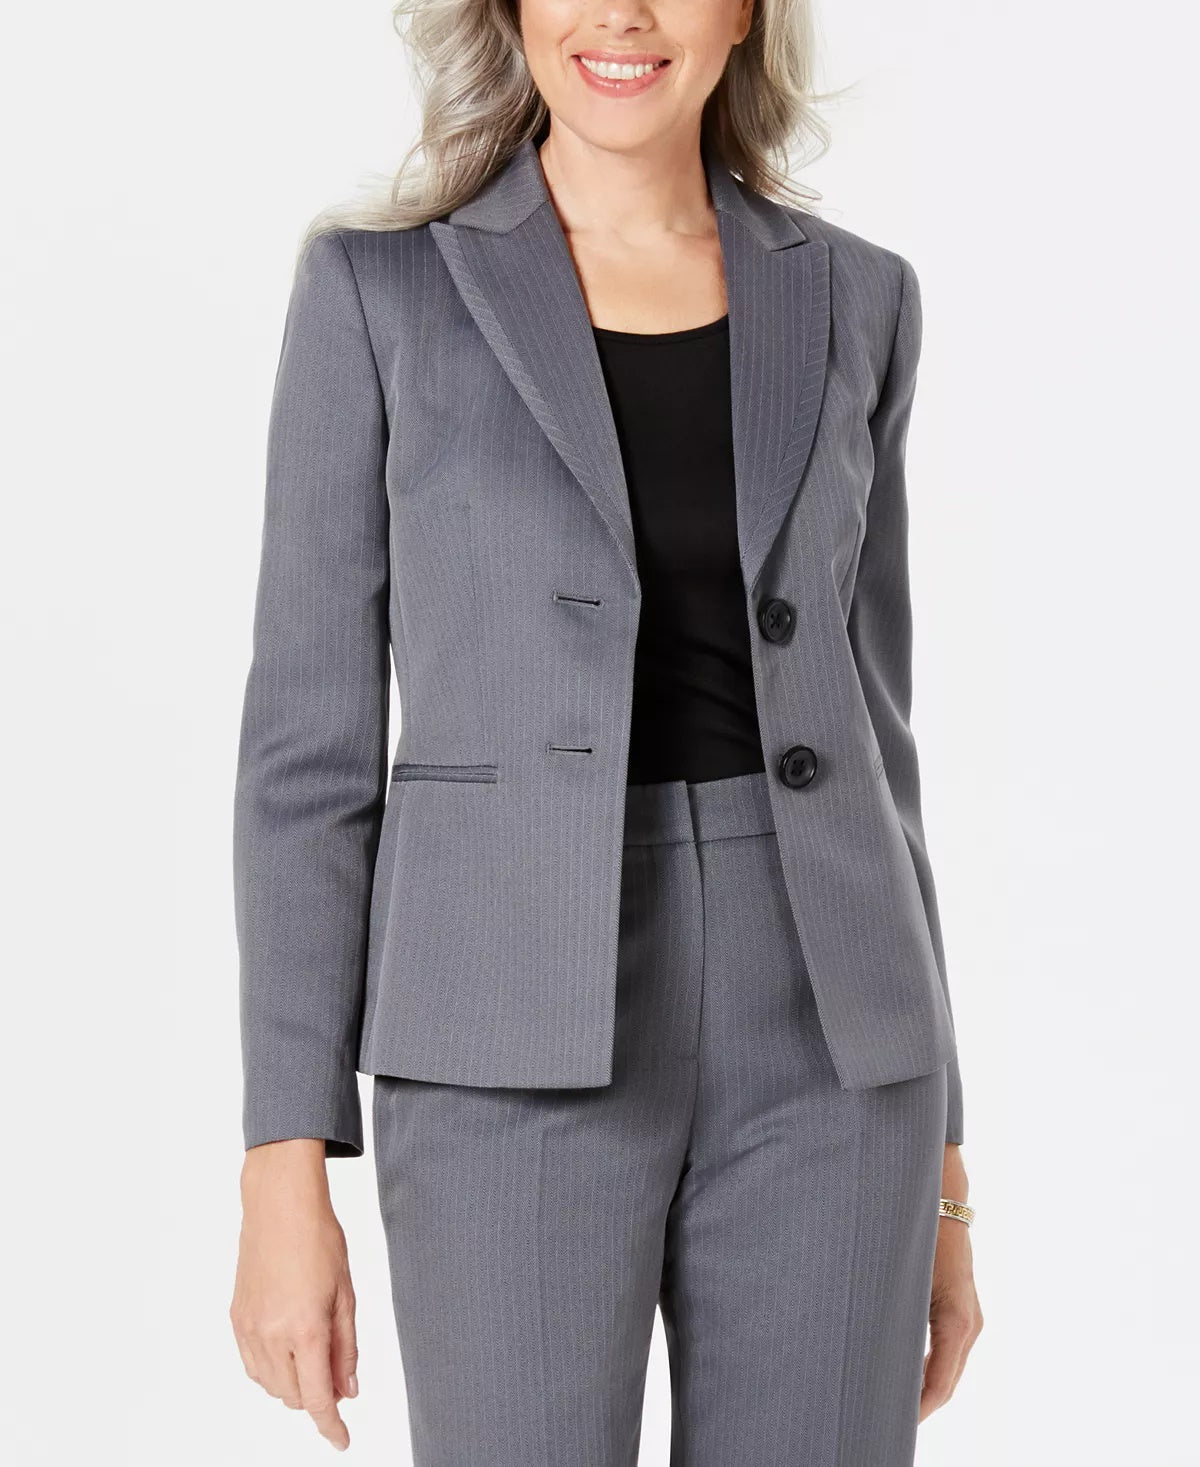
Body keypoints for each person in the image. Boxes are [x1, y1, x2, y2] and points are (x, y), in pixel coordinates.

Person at [229, 0, 984, 1460]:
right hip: (499, 1020)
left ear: (745, 12)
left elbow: (877, 744)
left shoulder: (858, 297)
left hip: (834, 1041)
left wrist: (946, 1174)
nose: (623, 14)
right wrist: (283, 1159)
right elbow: (306, 758)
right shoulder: (380, 296)